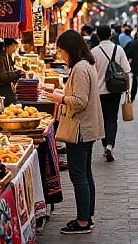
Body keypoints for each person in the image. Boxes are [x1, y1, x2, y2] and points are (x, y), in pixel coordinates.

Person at [43, 30, 104, 235]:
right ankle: (88, 215)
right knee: (85, 173)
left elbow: (79, 101)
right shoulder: (87, 65)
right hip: (87, 128)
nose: (60, 55)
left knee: (79, 176)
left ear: (70, 50)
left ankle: (83, 221)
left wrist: (58, 97)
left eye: (61, 51)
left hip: (80, 129)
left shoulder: (79, 69)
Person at [91, 25, 131, 162]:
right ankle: (110, 145)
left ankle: (104, 144)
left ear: (97, 36)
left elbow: (90, 73)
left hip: (99, 91)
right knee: (112, 119)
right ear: (111, 35)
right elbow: (126, 71)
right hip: (115, 90)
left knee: (102, 119)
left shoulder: (94, 51)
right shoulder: (118, 49)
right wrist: (128, 90)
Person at [0, 38, 23, 106]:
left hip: (5, 92)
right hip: (1, 93)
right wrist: (17, 73)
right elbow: (2, 77)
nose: (15, 50)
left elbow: (8, 71)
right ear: (9, 46)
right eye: (14, 46)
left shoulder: (6, 56)